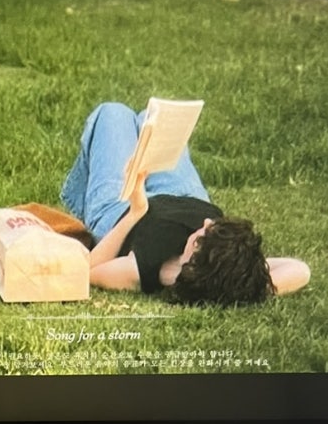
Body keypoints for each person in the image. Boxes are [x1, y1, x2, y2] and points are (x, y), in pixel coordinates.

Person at [61, 102, 311, 305]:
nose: (207, 222)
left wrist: (136, 212)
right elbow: (300, 269)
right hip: (185, 194)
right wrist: (242, 290)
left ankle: (81, 198)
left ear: (193, 261)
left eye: (204, 235)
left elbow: (88, 271)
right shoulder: (234, 264)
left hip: (122, 208)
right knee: (152, 118)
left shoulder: (142, 269)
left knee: (113, 113)